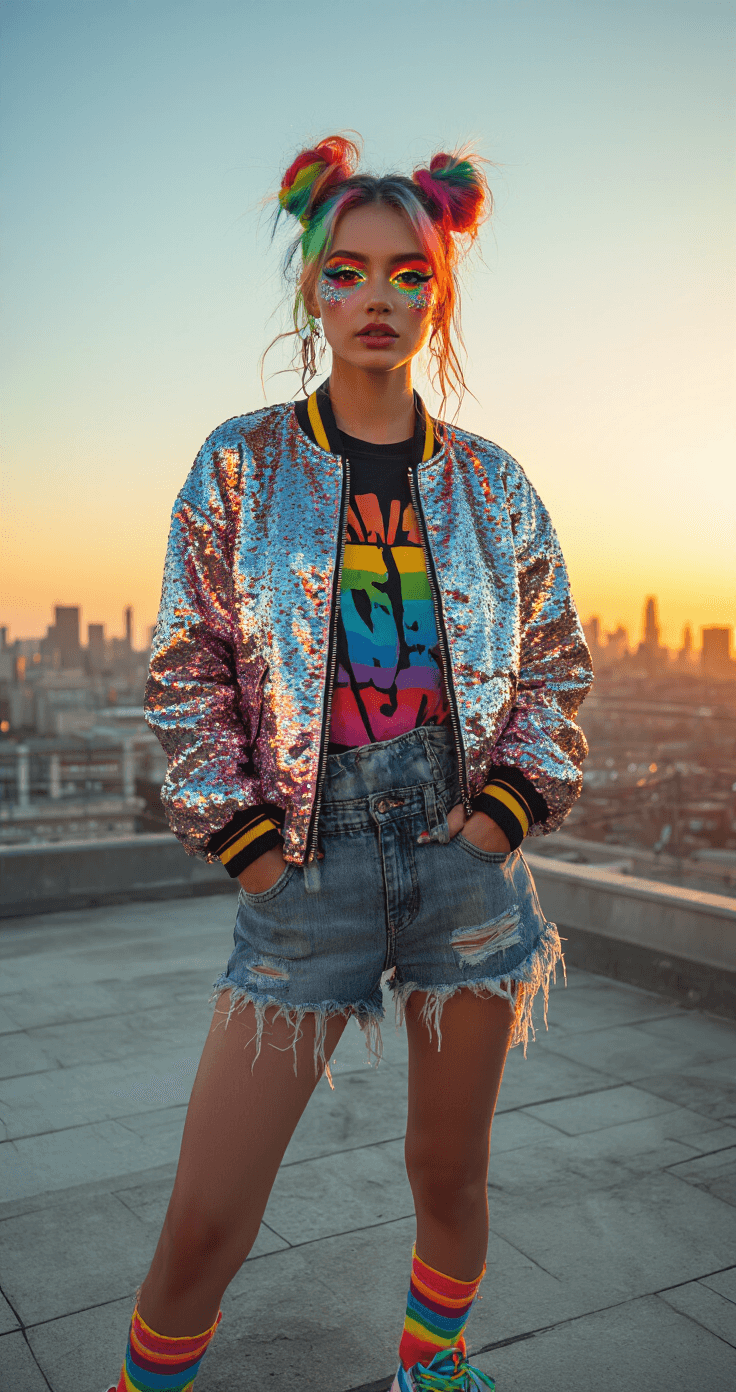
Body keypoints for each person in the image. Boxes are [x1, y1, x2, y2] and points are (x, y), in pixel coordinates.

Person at [106, 134, 592, 1392]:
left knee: (450, 1173)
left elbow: (553, 667)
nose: (378, 298)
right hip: (302, 876)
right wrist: (252, 851)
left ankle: (435, 1363)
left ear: (441, 293)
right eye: (347, 273)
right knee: (207, 1215)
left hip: (463, 865)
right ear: (312, 292)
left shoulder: (493, 486)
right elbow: (186, 670)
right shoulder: (239, 464)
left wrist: (498, 817)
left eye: (408, 275)